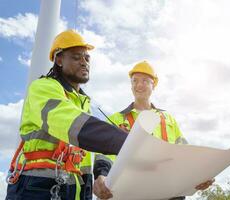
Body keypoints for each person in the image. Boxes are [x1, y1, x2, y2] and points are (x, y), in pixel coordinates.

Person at [5, 29, 128, 200]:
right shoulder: (42, 87)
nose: (84, 62)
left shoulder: (83, 102)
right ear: (59, 59)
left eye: (87, 58)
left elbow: (83, 156)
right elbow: (69, 123)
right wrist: (123, 140)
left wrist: (93, 182)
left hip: (74, 187)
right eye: (77, 57)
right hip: (36, 186)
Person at [93, 61, 214, 200]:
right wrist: (101, 174)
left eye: (145, 81)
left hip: (168, 191)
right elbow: (103, 155)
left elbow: (185, 152)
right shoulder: (116, 118)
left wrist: (200, 174)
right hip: (131, 191)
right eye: (135, 81)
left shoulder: (168, 119)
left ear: (153, 85)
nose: (139, 85)